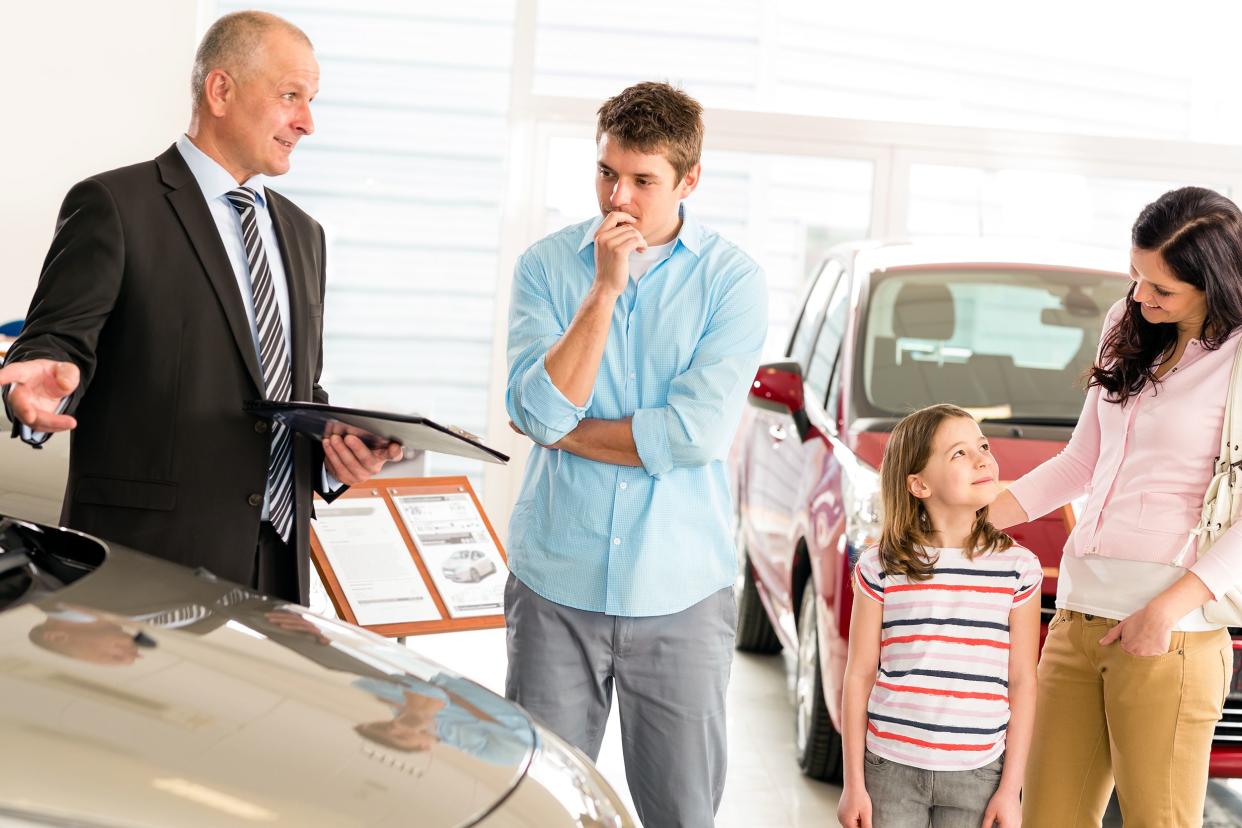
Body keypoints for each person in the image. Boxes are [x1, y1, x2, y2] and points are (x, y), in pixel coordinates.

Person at [0, 11, 399, 603]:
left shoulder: (304, 233)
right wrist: (36, 392)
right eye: (291, 96)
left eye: (311, 100)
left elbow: (295, 390)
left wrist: (330, 459)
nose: (307, 122)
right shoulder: (115, 204)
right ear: (220, 90)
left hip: (276, 564)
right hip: (146, 564)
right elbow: (57, 346)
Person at [503, 81, 767, 826]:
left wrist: (563, 431)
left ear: (689, 181)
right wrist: (603, 294)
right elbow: (531, 409)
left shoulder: (732, 282)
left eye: (643, 180)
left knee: (681, 814)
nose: (618, 198)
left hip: (680, 591)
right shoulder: (548, 267)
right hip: (556, 583)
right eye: (606, 173)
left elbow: (694, 436)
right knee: (538, 808)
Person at [987, 186, 1242, 827]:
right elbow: (1081, 462)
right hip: (1076, 616)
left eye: (1162, 290)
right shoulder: (1126, 325)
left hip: (1170, 635)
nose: (1140, 298)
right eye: (1135, 277)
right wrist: (977, 516)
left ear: (1216, 282)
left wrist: (1164, 612)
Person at [837, 404, 1041, 828]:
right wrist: (852, 783)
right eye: (959, 453)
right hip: (889, 768)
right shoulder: (881, 565)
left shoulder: (1018, 569)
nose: (983, 457)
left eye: (982, 445)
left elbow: (1022, 682)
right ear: (919, 484)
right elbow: (859, 674)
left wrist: (1011, 789)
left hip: (979, 773)